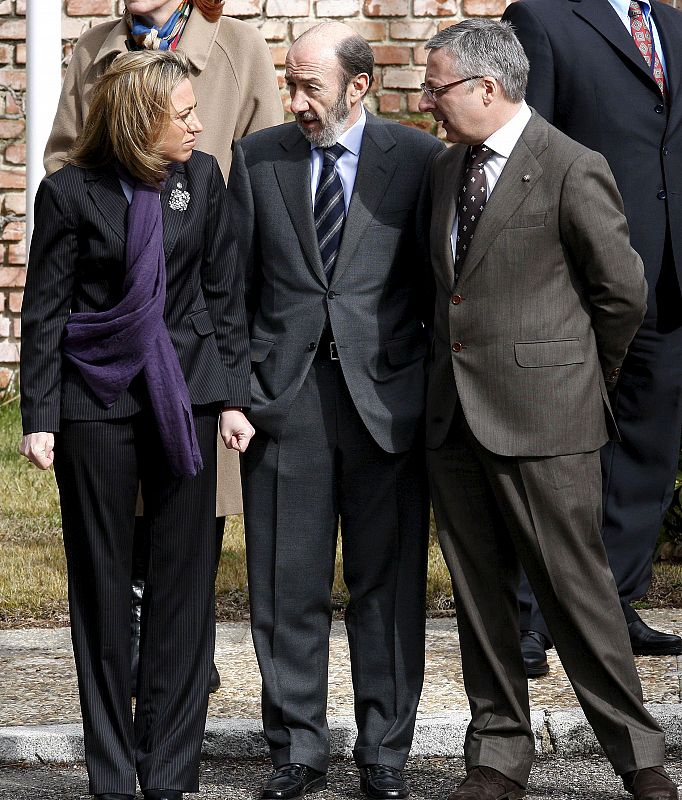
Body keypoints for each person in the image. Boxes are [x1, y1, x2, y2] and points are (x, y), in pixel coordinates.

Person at [419, 19, 677, 800]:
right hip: (455, 419)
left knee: (578, 592)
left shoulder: (570, 165)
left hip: (548, 417)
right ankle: (498, 755)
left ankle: (640, 759)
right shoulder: (444, 171)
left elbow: (622, 294)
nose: (428, 101)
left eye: (437, 88)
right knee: (481, 597)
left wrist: (579, 378)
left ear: (485, 88)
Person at [19, 50, 254, 800]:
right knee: (103, 587)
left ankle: (169, 771)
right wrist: (41, 417)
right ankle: (115, 776)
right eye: (182, 113)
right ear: (137, 122)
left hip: (189, 400)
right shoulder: (69, 194)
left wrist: (237, 398)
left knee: (186, 589)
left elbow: (223, 296)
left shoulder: (203, 180)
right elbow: (47, 312)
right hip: (97, 401)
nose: (196, 122)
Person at [227, 21, 443, 800]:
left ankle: (384, 753)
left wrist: (428, 395)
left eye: (307, 85)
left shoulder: (418, 162)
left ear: (359, 87)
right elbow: (233, 291)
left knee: (386, 587)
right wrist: (240, 392)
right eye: (289, 82)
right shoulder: (257, 160)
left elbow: (436, 285)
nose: (294, 100)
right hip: (285, 403)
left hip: (386, 402)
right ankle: (297, 750)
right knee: (288, 585)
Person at [43, 0, 283, 694]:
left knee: (187, 498)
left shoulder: (237, 45)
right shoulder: (96, 47)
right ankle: (134, 645)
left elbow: (262, 162)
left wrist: (202, 241)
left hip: (195, 301)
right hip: (117, 314)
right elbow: (66, 154)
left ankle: (180, 650)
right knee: (121, 500)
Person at [502, 0, 682, 678]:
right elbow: (528, 147)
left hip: (667, 277)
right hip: (577, 274)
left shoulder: (673, 25)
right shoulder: (543, 19)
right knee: (553, 447)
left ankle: (612, 602)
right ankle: (531, 613)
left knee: (647, 445)